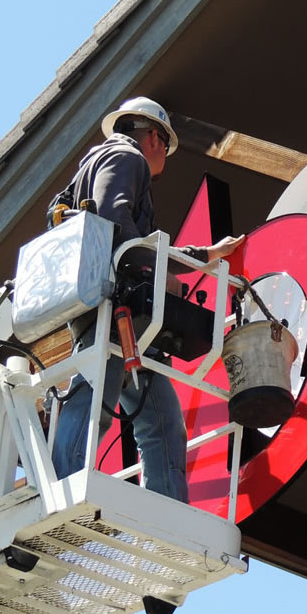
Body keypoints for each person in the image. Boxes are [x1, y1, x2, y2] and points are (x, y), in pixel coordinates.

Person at [50, 96, 243, 502]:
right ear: (154, 137)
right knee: (95, 401)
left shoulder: (91, 168)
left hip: (120, 314)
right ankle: (62, 492)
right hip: (115, 309)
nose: (163, 157)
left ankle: (168, 507)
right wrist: (158, 275)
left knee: (162, 420)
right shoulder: (128, 158)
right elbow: (116, 224)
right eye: (165, 147)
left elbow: (136, 243)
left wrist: (206, 255)